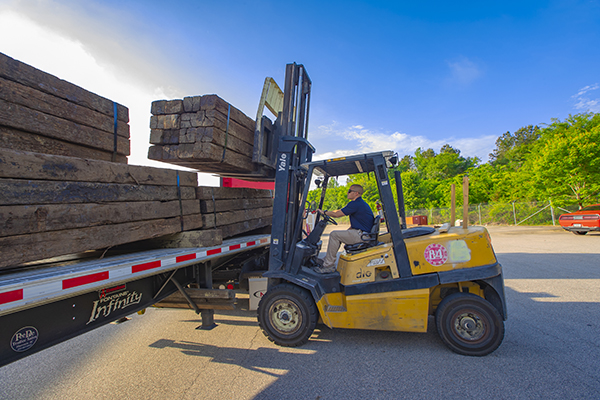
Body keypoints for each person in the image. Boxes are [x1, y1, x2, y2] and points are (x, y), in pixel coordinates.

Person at [314, 184, 374, 273]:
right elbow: (357, 223)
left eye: (350, 191)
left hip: (362, 235)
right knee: (338, 235)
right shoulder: (360, 204)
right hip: (362, 234)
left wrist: (324, 212)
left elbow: (337, 214)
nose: (347, 193)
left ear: (356, 193)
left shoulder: (355, 204)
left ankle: (328, 266)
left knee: (334, 235)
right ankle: (326, 260)